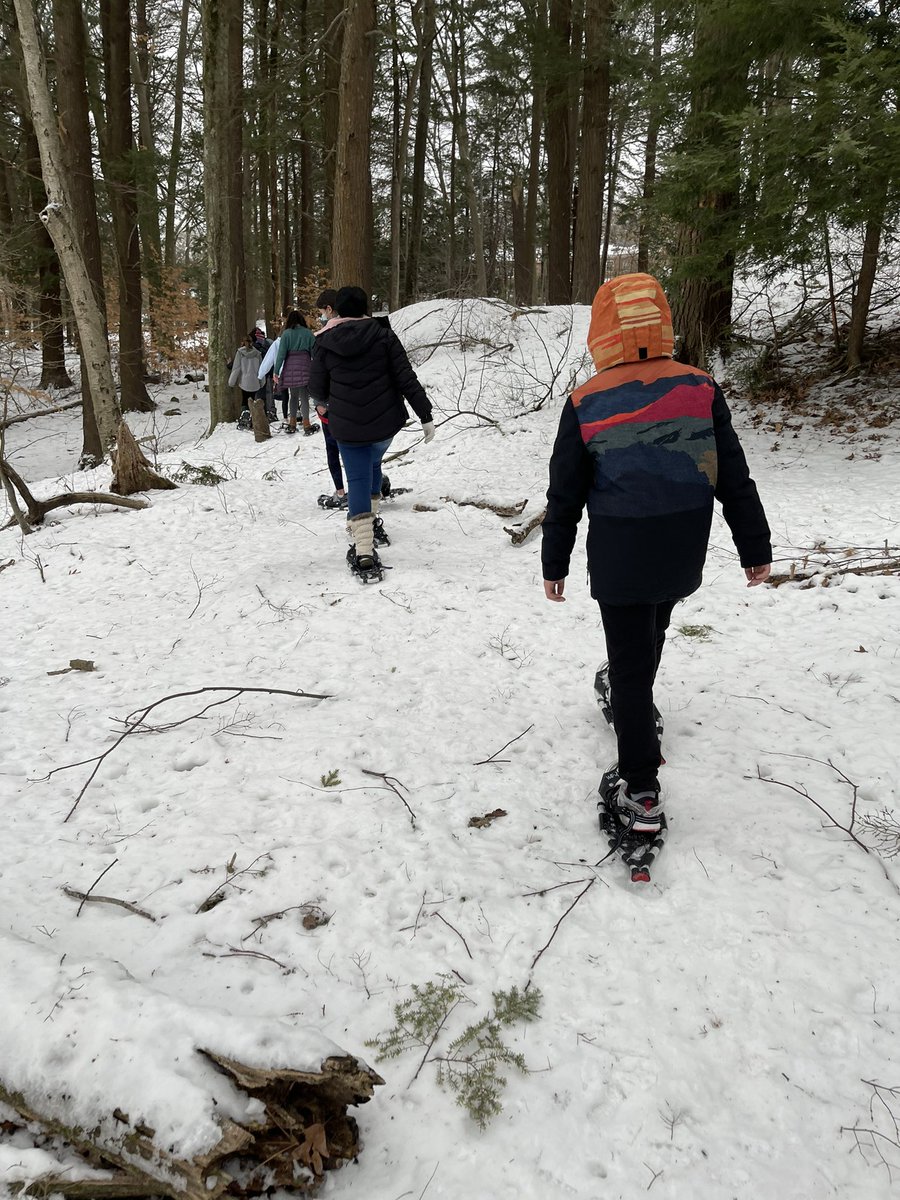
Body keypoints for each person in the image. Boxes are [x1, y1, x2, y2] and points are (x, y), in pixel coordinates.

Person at [541, 272, 771, 833]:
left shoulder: (586, 400)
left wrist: (556, 561)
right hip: (681, 546)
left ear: (602, 331)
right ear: (661, 323)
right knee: (652, 631)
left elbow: (565, 490)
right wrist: (754, 545)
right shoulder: (700, 387)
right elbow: (733, 476)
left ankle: (640, 788)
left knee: (629, 657)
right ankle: (634, 700)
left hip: (621, 549)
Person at [309, 285, 435, 581]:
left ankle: (364, 550)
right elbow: (406, 377)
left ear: (337, 310)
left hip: (347, 425)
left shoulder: (325, 341)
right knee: (374, 464)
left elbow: (315, 387)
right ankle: (372, 523)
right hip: (383, 425)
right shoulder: (384, 335)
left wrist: (324, 404)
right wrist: (425, 414)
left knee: (357, 477)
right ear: (366, 308)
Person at [313, 289, 347, 507]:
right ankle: (372, 487)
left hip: (332, 405)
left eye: (321, 313)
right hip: (357, 404)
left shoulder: (324, 337)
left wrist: (319, 402)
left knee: (333, 447)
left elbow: (318, 373)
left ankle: (341, 493)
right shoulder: (362, 329)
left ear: (328, 309)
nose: (321, 318)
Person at [274, 311, 317, 435]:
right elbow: (314, 353)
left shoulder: (286, 334)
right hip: (305, 365)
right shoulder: (308, 333)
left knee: (293, 396)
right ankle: (306, 423)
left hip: (290, 367)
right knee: (304, 396)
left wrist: (276, 372)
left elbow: (281, 354)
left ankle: (292, 423)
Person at [227, 335, 263, 428]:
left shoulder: (240, 353)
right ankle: (253, 418)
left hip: (244, 381)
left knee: (244, 399)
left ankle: (245, 417)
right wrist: (262, 382)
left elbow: (236, 368)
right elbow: (261, 369)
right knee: (253, 399)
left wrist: (231, 382)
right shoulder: (257, 353)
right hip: (255, 381)